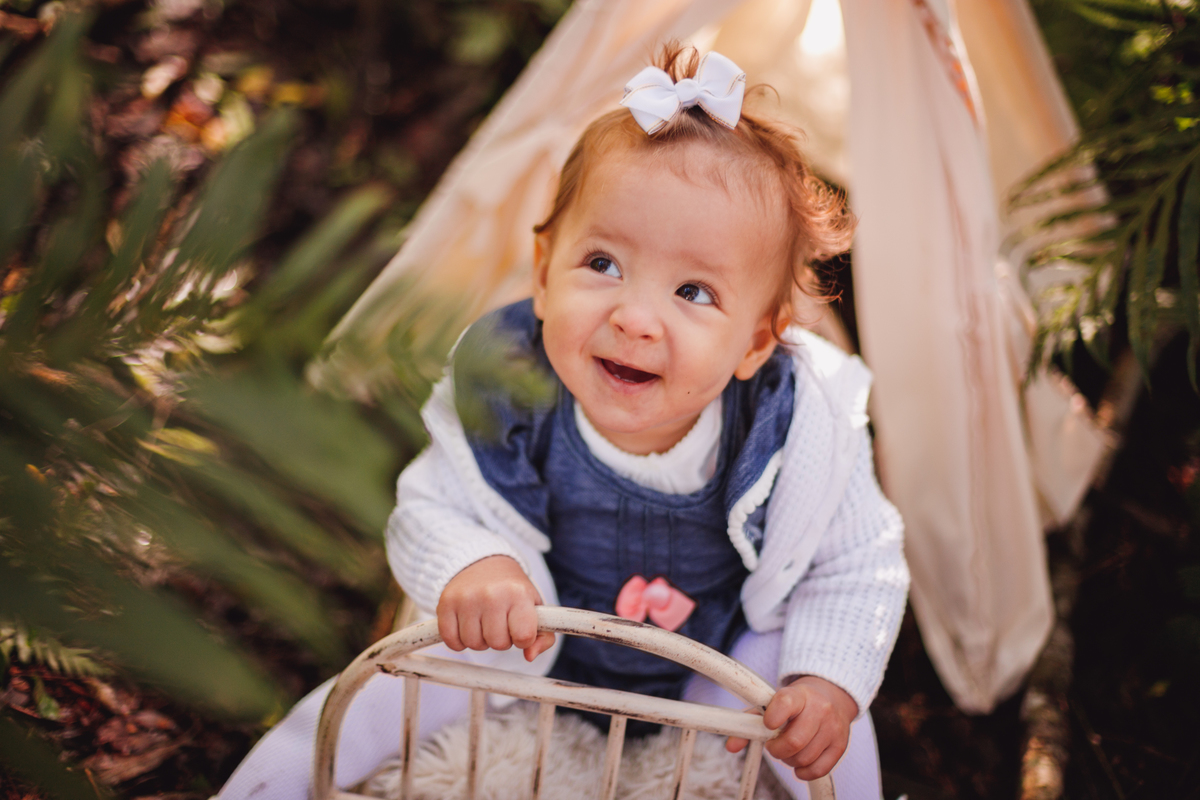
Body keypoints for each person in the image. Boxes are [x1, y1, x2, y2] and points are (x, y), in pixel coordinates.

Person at [219, 44, 908, 800]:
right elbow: (432, 501)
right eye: (603, 264)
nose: (635, 317)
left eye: (693, 292)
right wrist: (473, 564)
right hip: (528, 639)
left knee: (818, 727)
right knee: (395, 680)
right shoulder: (511, 387)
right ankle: (269, 787)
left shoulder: (797, 425)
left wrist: (829, 680)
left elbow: (857, 562)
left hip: (720, 659)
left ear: (754, 341)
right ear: (543, 272)